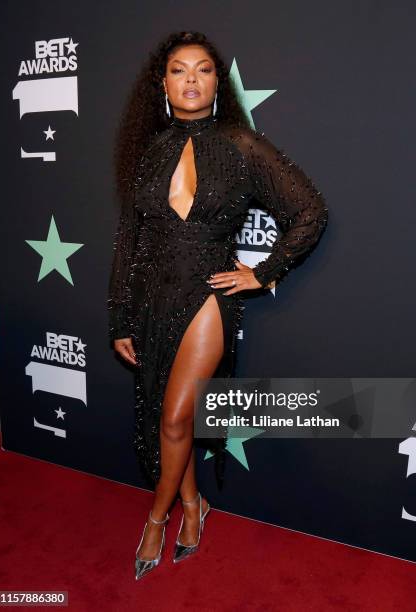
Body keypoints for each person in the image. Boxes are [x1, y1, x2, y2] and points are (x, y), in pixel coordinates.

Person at [108, 30, 328, 580]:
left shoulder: (241, 144)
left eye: (203, 69)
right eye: (179, 70)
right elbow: (128, 240)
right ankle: (192, 507)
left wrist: (263, 272)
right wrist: (119, 316)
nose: (190, 79)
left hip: (208, 295)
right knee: (167, 415)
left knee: (178, 414)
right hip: (152, 295)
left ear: (216, 82)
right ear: (162, 84)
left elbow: (310, 209)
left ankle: (155, 519)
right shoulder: (150, 150)